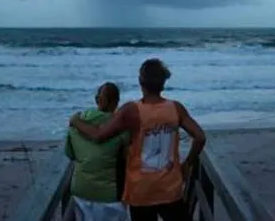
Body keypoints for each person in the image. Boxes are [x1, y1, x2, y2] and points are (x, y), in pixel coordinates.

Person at [70, 58, 207, 221]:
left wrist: (76, 121)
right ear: (163, 84)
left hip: (141, 190)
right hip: (170, 187)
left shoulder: (131, 110)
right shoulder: (175, 108)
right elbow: (200, 137)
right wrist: (187, 164)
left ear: (140, 81)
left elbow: (99, 136)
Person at [65, 82, 130, 221]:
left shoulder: (76, 124)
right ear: (116, 102)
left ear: (96, 100)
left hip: (81, 191)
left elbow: (70, 154)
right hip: (110, 196)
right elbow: (127, 159)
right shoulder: (122, 128)